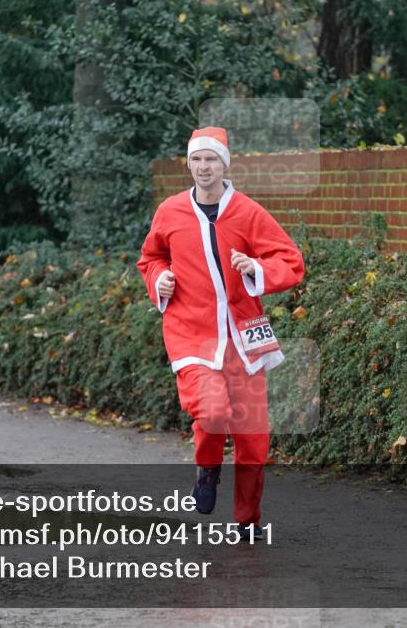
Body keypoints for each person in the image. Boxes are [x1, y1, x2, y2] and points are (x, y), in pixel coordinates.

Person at [136, 126, 305, 541]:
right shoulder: (170, 212)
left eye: (211, 159)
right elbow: (151, 257)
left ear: (224, 164)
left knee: (254, 443)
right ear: (188, 165)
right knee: (211, 412)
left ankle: (246, 521)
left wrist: (257, 270)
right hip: (191, 332)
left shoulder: (247, 212)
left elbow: (291, 260)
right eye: (196, 160)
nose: (203, 167)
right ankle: (207, 468)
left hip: (246, 336)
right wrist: (160, 280)